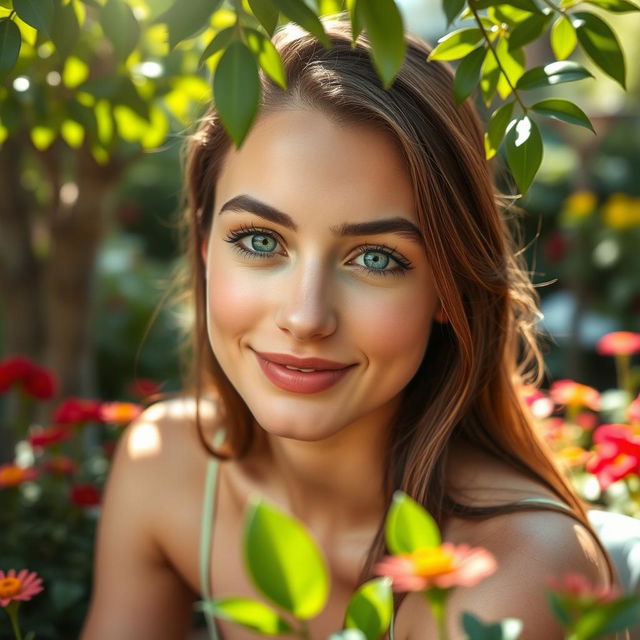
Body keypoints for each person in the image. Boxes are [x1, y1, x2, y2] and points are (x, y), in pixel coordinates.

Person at [80, 17, 619, 640]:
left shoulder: (511, 576)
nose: (306, 317)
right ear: (205, 246)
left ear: (450, 286)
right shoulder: (168, 469)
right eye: (259, 241)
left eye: (376, 258)